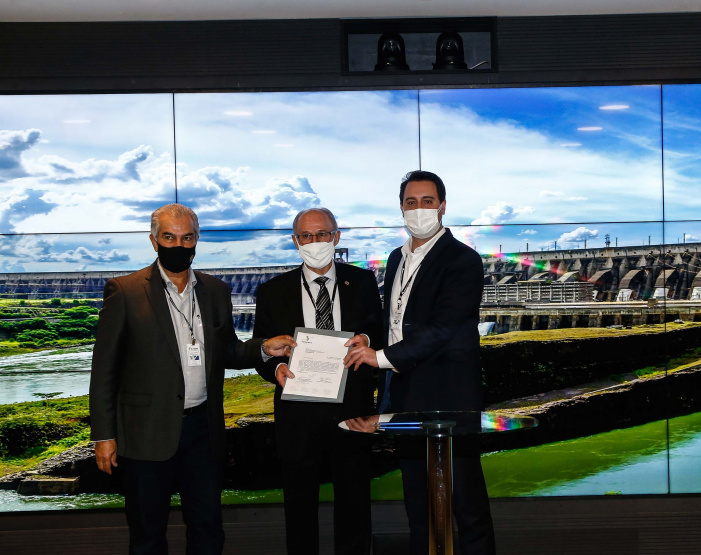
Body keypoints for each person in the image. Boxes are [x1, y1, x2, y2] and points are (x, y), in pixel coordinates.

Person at [89, 203, 296, 555]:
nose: (179, 246)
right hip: (145, 433)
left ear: (197, 240)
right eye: (169, 237)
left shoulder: (216, 291)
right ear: (154, 241)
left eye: (187, 238)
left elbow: (227, 351)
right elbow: (104, 370)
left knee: (207, 530)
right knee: (147, 535)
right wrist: (104, 436)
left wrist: (263, 348)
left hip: (203, 431)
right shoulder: (124, 291)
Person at [344, 171, 496, 555]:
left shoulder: (462, 260)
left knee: (466, 506)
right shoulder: (397, 258)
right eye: (411, 202)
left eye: (427, 201)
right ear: (401, 208)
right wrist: (370, 340)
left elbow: (445, 327)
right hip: (406, 396)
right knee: (419, 506)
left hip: (450, 399)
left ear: (443, 206)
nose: (419, 209)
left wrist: (378, 358)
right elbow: (397, 320)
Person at [253, 208, 383, 555]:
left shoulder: (364, 282)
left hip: (352, 411)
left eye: (323, 234)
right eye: (307, 236)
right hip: (297, 414)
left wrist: (368, 340)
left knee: (355, 503)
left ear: (336, 237)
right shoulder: (272, 291)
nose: (315, 242)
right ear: (295, 242)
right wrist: (274, 369)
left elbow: (381, 332)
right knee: (299, 506)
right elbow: (261, 349)